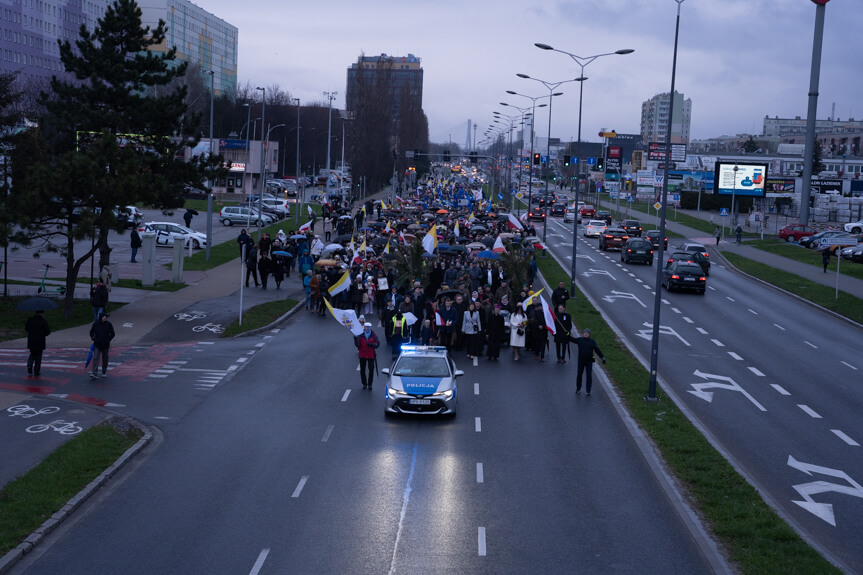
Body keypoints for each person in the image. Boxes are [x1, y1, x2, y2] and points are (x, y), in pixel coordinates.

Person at [567, 328, 605, 396]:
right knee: (579, 375)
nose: (585, 334)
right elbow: (571, 339)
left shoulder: (592, 341)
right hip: (581, 361)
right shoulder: (580, 340)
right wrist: (567, 334)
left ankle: (588, 390)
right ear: (583, 334)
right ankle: (578, 388)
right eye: (585, 333)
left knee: (589, 376)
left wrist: (602, 357)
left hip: (589, 361)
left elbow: (597, 350)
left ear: (589, 334)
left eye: (587, 333)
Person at [89, 312, 115, 379]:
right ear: (100, 317)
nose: (105, 318)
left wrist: (108, 340)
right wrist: (93, 338)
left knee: (105, 358)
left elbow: (113, 334)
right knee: (95, 358)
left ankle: (104, 372)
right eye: (103, 317)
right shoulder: (95, 324)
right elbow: (91, 332)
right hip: (97, 344)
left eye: (105, 317)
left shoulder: (109, 324)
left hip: (105, 345)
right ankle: (94, 373)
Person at [354, 322, 380, 389]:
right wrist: (355, 339)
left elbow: (378, 343)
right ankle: (364, 384)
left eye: (369, 327)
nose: (368, 328)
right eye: (366, 327)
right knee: (362, 370)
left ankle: (370, 384)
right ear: (364, 327)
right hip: (362, 355)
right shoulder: (360, 335)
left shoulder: (373, 335)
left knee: (371, 369)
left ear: (370, 328)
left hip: (371, 355)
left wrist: (373, 345)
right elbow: (358, 345)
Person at [25, 310, 51, 376]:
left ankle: (29, 365)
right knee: (38, 357)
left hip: (31, 341)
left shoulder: (30, 320)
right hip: (40, 341)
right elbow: (48, 332)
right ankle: (36, 371)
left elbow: (26, 329)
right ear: (42, 313)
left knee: (32, 353)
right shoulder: (43, 321)